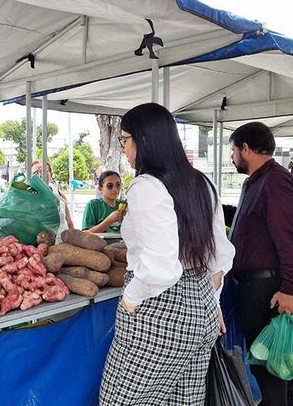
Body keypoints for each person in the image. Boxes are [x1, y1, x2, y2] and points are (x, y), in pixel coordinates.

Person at [99, 103, 234, 406]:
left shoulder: (146, 186)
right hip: (202, 306)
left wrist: (130, 298)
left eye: (124, 139)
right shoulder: (203, 182)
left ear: (143, 140)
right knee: (184, 401)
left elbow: (161, 268)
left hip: (161, 309)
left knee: (120, 400)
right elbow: (220, 257)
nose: (123, 148)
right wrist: (211, 304)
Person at [228, 122, 293, 406]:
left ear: (246, 149)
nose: (232, 157)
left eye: (234, 150)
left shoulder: (275, 181)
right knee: (280, 364)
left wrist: (290, 287)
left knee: (270, 366)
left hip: (270, 288)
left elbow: (290, 239)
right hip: (261, 285)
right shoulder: (260, 180)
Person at [31, 160, 74, 239]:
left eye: (44, 171)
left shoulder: (59, 195)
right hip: (37, 246)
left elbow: (69, 223)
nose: (40, 175)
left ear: (50, 175)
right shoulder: (26, 197)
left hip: (60, 245)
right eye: (35, 172)